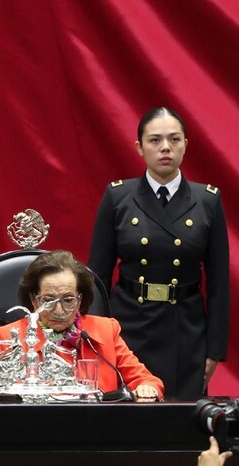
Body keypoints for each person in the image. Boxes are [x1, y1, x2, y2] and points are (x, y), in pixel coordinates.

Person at [88, 106, 229, 399]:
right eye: (155, 140)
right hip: (127, 327)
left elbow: (218, 285)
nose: (165, 147)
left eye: (174, 139)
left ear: (185, 145)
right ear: (139, 147)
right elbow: (97, 278)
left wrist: (214, 349)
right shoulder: (118, 197)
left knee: (179, 427)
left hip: (185, 330)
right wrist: (96, 339)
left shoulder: (207, 201)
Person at [0, 250, 164, 401]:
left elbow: (146, 380)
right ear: (34, 300)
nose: (59, 310)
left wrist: (146, 388)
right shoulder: (11, 336)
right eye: (49, 300)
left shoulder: (106, 330)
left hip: (100, 433)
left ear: (79, 299)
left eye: (68, 300)